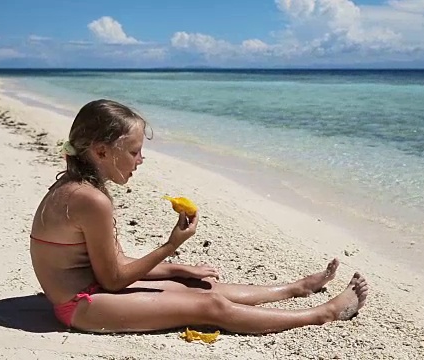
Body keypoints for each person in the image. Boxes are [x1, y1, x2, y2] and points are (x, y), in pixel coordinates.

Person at [29, 99, 369, 334]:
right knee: (208, 305)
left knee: (196, 284)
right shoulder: (91, 200)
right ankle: (321, 314)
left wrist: (178, 269)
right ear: (101, 151)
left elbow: (110, 263)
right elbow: (113, 279)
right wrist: (169, 247)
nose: (140, 160)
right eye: (134, 152)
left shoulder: (77, 188)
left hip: (90, 290)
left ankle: (291, 289)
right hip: (79, 306)